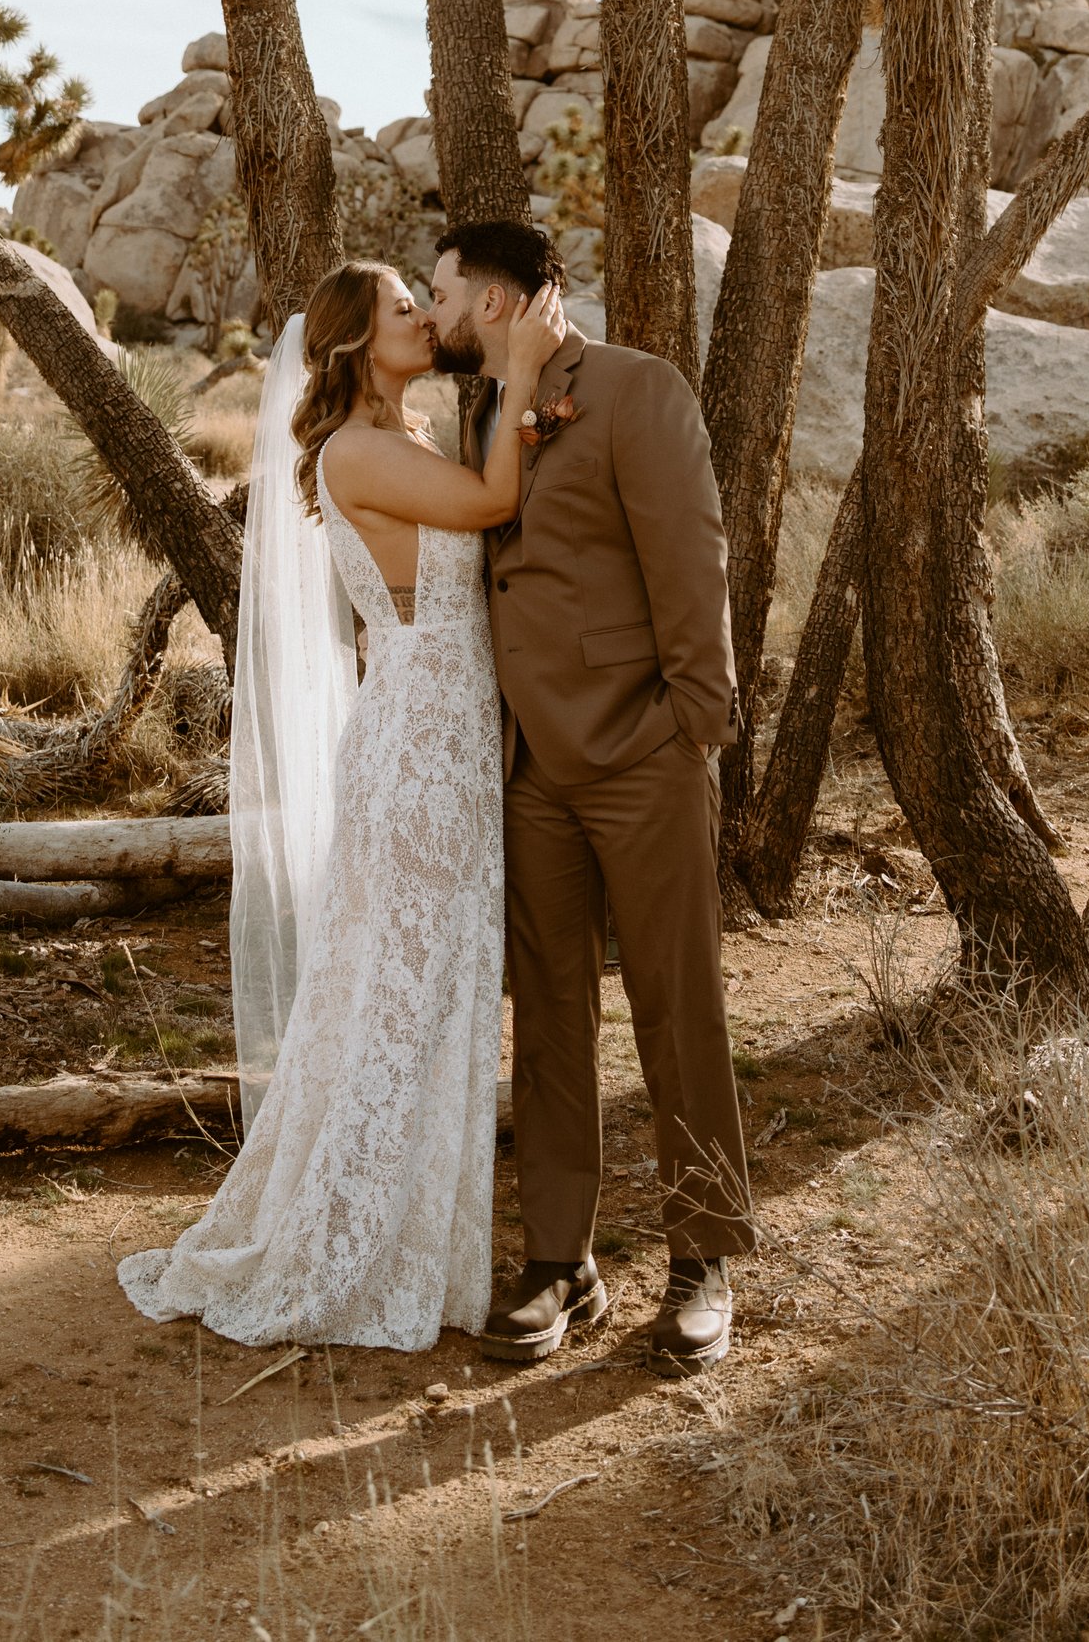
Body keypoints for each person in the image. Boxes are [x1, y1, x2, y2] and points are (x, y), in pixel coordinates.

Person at [117, 256, 567, 1351]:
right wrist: (519, 365)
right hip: (418, 743)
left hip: (451, 734)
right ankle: (343, 1239)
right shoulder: (357, 448)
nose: (425, 315)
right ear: (360, 341)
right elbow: (495, 500)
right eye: (405, 307)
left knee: (432, 985)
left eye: (426, 299)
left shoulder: (405, 436)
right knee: (395, 991)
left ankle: (407, 1227)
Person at [428, 219, 751, 1375]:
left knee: (679, 1004)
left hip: (640, 753)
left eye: (444, 293)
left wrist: (688, 729)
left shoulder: (635, 388)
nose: (432, 316)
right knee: (549, 1014)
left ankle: (705, 1256)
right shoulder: (478, 407)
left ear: (501, 301)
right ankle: (559, 1258)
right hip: (527, 769)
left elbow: (692, 556)